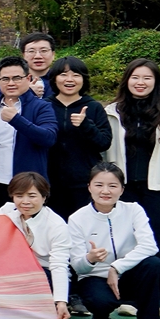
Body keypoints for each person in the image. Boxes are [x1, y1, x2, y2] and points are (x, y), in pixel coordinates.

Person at [105, 59, 160, 315]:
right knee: (127, 241)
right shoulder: (112, 111)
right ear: (127, 81)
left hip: (158, 189)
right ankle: (130, 299)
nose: (140, 83)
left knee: (156, 240)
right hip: (124, 188)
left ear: (156, 82)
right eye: (135, 77)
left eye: (147, 78)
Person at [69, 163, 160, 319]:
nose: (105, 191)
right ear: (89, 187)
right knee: (99, 301)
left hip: (129, 274)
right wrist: (90, 259)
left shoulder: (134, 210)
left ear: (122, 189)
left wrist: (116, 267)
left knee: (154, 265)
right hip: (96, 278)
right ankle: (100, 318)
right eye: (99, 185)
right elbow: (77, 266)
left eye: (113, 186)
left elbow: (150, 246)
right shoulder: (77, 219)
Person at [0, 171, 75, 319]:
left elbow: (59, 265)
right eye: (19, 196)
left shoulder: (57, 225)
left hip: (45, 272)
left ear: (44, 197)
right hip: (12, 270)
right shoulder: (6, 213)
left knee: (43, 279)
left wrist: (61, 302)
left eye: (32, 196)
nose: (25, 201)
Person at [0, 57, 58, 216]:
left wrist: (16, 119)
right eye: (5, 79)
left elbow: (48, 138)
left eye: (16, 78)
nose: (11, 83)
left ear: (28, 78)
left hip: (29, 186)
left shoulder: (41, 107)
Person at [44, 56, 112, 220]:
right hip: (50, 182)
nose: (69, 79)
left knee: (84, 228)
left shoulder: (93, 107)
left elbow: (104, 142)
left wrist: (85, 125)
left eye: (76, 75)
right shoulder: (45, 105)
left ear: (83, 79)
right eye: (63, 74)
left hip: (84, 183)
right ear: (54, 79)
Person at [20, 33, 58, 97]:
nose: (38, 56)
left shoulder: (62, 81)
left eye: (43, 51)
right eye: (31, 51)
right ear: (23, 55)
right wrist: (26, 92)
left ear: (53, 54)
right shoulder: (15, 82)